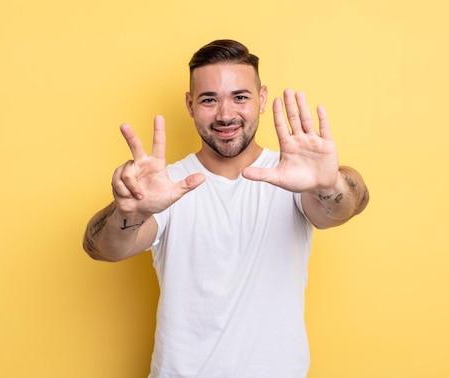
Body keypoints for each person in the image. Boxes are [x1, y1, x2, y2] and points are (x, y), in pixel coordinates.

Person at [83, 39, 369, 378]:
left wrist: (328, 185)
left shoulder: (295, 179)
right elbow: (101, 248)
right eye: (209, 99)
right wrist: (130, 212)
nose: (225, 114)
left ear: (261, 99)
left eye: (240, 97)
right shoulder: (166, 186)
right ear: (190, 105)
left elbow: (349, 204)